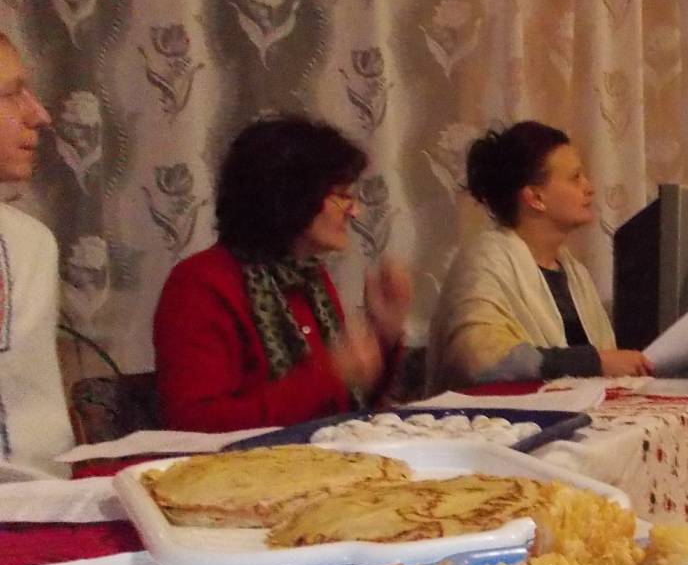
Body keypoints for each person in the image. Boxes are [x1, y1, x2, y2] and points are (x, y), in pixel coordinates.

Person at [153, 116, 412, 432]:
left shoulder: (310, 278)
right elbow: (194, 426)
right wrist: (330, 373)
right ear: (291, 195)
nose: (355, 211)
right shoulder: (198, 285)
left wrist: (382, 335)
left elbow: (348, 411)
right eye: (342, 195)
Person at [427, 122, 651, 390]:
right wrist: (594, 362)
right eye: (575, 177)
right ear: (536, 197)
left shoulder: (575, 272)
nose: (589, 187)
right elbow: (480, 361)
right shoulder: (485, 261)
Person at [0, 32, 73, 479]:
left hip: (45, 506)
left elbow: (42, 444)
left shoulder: (31, 247)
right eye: (10, 94)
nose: (40, 116)